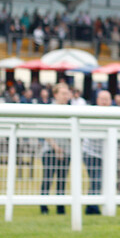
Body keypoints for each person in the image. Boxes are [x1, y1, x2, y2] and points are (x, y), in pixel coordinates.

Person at [39, 82, 72, 214]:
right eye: (63, 93)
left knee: (62, 180)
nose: (66, 96)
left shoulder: (71, 110)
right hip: (50, 150)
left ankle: (60, 207)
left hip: (66, 151)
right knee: (47, 179)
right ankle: (43, 206)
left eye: (67, 93)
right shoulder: (49, 109)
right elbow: (45, 131)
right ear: (56, 94)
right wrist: (55, 147)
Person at [82, 89, 112, 215]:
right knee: (96, 179)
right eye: (102, 99)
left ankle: (92, 205)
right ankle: (92, 207)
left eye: (107, 99)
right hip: (91, 153)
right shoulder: (92, 112)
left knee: (99, 180)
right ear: (98, 100)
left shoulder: (113, 113)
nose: (104, 102)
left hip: (104, 154)